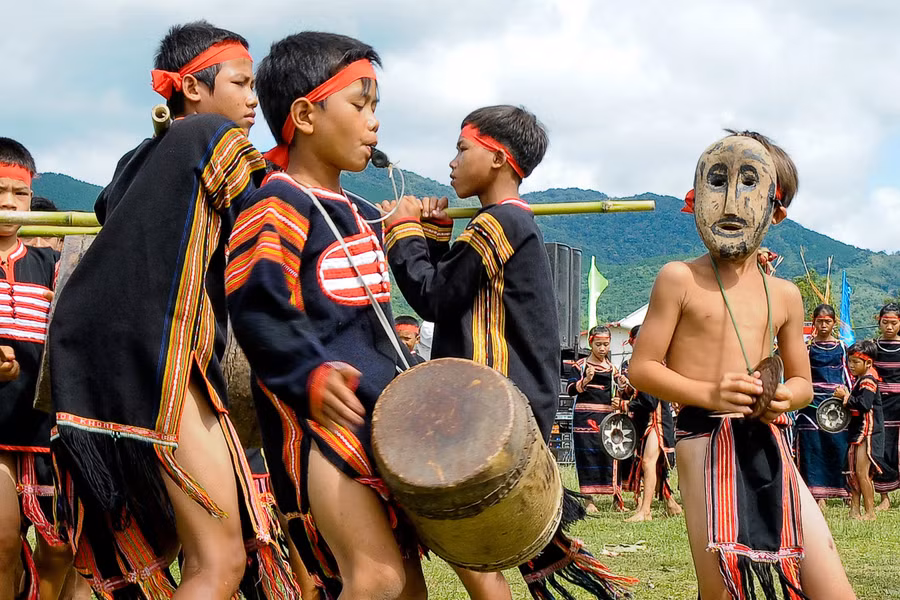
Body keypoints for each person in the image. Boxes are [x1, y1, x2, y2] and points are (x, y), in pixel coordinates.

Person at [48, 22, 295, 598]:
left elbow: (111, 209)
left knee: (136, 554)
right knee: (223, 560)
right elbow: (273, 225)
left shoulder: (136, 159)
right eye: (241, 82)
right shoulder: (216, 135)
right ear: (192, 89)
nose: (253, 99)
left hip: (84, 363)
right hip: (155, 357)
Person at [382, 105, 634, 600]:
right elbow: (454, 295)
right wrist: (433, 237)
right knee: (468, 555)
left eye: (461, 148)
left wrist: (403, 233)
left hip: (493, 410)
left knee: (469, 553)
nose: (452, 162)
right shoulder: (500, 225)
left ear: (497, 157)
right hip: (503, 407)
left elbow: (433, 297)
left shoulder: (498, 224)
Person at [226, 31, 427, 600]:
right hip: (325, 423)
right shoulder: (276, 201)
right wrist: (307, 374)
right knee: (376, 579)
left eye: (375, 108)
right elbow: (257, 303)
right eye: (359, 106)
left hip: (384, 418)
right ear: (305, 116)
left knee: (409, 585)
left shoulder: (361, 212)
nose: (374, 123)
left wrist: (421, 231)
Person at [628, 131, 854, 599]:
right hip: (701, 442)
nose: (733, 203)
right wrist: (709, 393)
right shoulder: (680, 278)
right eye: (720, 183)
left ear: (776, 210)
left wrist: (785, 396)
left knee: (830, 584)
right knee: (723, 587)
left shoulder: (786, 295)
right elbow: (642, 368)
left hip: (768, 442)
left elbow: (803, 384)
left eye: (751, 186)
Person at [0, 138, 74, 600]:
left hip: (47, 430)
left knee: (60, 552)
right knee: (2, 544)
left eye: (18, 193)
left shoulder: (53, 266)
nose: (7, 202)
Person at [620, 325, 681, 521]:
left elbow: (649, 400)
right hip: (650, 420)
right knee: (653, 464)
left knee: (648, 463)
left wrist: (626, 404)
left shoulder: (650, 365)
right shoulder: (648, 363)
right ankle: (671, 504)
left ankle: (645, 510)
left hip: (657, 421)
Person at [796, 304, 852, 507]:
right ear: (814, 321)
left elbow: (848, 373)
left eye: (827, 321)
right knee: (813, 446)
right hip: (811, 404)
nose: (823, 325)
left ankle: (845, 491)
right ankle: (817, 495)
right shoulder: (807, 348)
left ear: (834, 323)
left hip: (836, 404)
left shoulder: (842, 347)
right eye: (820, 321)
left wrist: (848, 395)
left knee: (839, 446)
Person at [567, 326, 625, 513]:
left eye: (606, 345)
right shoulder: (580, 366)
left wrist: (623, 389)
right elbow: (569, 390)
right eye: (598, 344)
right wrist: (585, 381)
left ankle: (617, 497)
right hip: (585, 417)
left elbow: (624, 391)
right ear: (590, 343)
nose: (602, 348)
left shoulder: (613, 369)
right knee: (587, 455)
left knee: (613, 453)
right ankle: (588, 500)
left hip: (608, 416)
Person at [834, 339, 884, 520]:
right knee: (853, 471)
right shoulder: (860, 380)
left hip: (867, 432)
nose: (851, 365)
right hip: (858, 432)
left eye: (856, 362)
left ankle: (870, 512)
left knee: (863, 473)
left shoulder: (869, 380)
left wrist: (846, 397)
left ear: (868, 363)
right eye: (850, 361)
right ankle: (854, 510)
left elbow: (864, 404)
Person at [873, 302, 900, 510]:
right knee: (882, 449)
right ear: (879, 322)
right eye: (885, 322)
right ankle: (884, 498)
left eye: (893, 323)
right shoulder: (873, 347)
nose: (889, 327)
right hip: (881, 405)